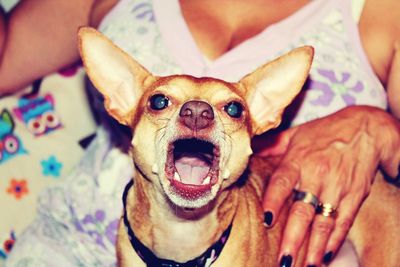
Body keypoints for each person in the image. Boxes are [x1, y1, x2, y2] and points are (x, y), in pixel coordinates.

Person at [0, 0, 399, 266]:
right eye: (160, 103)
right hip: (68, 249)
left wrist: (382, 129)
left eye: (230, 108)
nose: (197, 114)